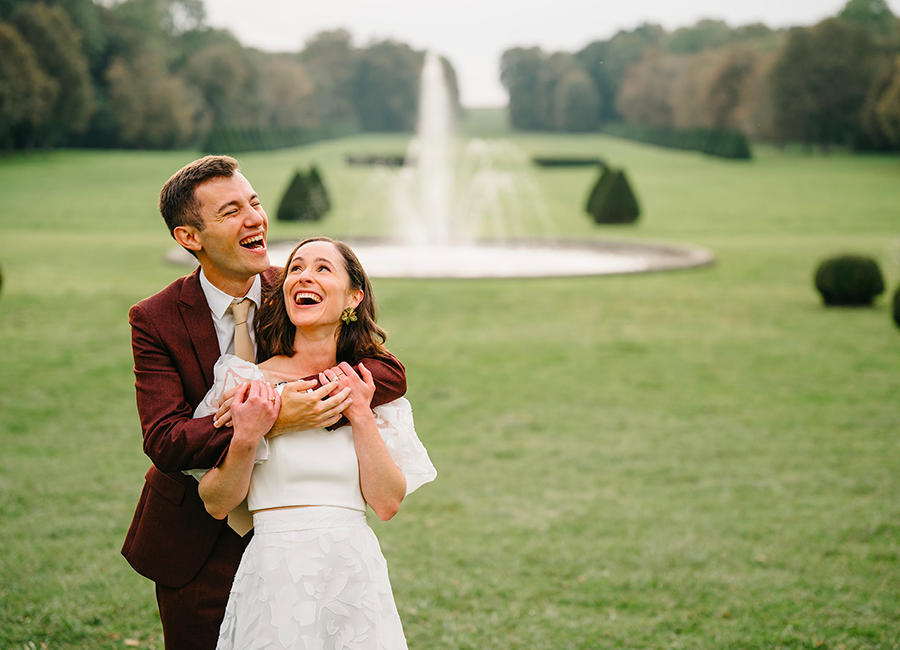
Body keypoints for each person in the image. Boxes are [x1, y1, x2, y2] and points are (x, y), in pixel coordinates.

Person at [122, 156, 408, 650]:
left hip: (304, 536)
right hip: (196, 537)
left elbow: (387, 373)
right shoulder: (155, 318)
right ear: (191, 237)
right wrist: (268, 421)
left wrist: (293, 400)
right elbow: (166, 440)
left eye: (254, 202)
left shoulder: (297, 286)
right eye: (232, 211)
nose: (255, 218)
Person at [191, 237, 437, 650]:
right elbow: (216, 502)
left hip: (351, 573)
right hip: (273, 572)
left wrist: (359, 413)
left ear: (353, 297)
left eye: (323, 268)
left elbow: (386, 503)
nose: (305, 276)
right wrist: (249, 435)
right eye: (297, 268)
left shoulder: (370, 389)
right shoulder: (242, 383)